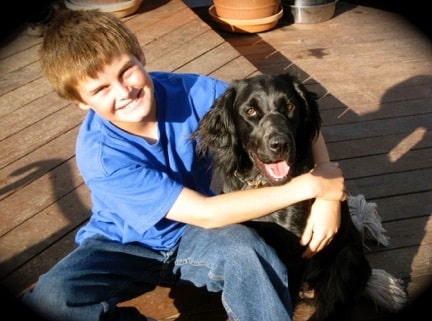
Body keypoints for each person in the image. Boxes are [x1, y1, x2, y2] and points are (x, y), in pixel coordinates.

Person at [22, 9, 346, 321]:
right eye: (101, 89)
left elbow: (294, 114)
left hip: (197, 235)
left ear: (140, 53)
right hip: (123, 244)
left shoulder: (194, 93)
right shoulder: (101, 156)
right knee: (52, 298)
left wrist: (327, 185)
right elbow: (207, 211)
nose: (124, 91)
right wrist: (311, 185)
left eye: (125, 71)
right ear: (80, 101)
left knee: (249, 253)